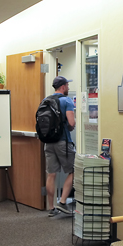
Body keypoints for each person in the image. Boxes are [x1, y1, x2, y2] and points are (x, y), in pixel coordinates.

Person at [44, 76, 76, 217]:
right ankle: (62, 202)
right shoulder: (66, 100)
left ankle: (51, 207)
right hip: (63, 141)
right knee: (74, 170)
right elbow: (72, 122)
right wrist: (69, 126)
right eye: (67, 85)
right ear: (63, 87)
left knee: (51, 174)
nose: (68, 88)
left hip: (48, 142)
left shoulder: (46, 100)